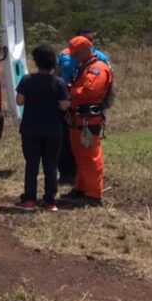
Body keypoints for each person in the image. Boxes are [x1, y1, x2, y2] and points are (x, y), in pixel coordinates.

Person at [13, 44, 70, 211]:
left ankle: (29, 199)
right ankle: (50, 201)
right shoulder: (59, 82)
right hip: (53, 129)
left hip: (30, 128)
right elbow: (63, 106)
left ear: (36, 62)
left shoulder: (27, 80)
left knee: (32, 164)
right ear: (53, 63)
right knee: (51, 165)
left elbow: (19, 101)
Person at [56, 29, 110, 185]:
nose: (74, 57)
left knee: (90, 155)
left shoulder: (97, 67)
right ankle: (80, 186)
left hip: (88, 118)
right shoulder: (83, 65)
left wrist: (70, 92)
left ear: (87, 49)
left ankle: (92, 192)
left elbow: (89, 92)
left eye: (76, 54)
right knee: (79, 153)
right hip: (76, 117)